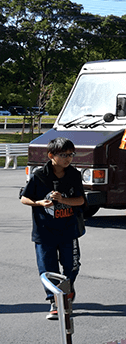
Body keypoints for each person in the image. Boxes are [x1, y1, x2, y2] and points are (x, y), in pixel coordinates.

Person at [20, 137, 86, 320]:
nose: (68, 159)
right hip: (44, 231)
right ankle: (55, 302)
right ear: (51, 155)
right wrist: (39, 202)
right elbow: (24, 198)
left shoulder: (74, 175)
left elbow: (81, 200)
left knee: (71, 266)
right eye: (63, 155)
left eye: (71, 154)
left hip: (68, 229)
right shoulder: (39, 175)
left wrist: (63, 200)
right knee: (47, 268)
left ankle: (67, 289)